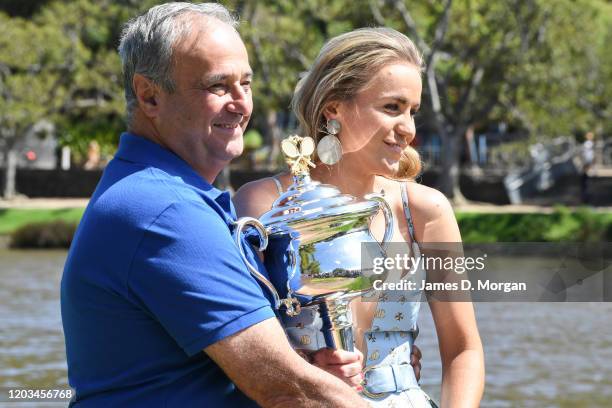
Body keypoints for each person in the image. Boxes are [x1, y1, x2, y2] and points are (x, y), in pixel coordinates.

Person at [60, 3, 377, 407]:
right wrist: (303, 377)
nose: (241, 104)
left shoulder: (165, 194)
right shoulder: (164, 211)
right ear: (149, 95)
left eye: (246, 83)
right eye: (218, 86)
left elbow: (241, 373)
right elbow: (284, 390)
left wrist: (304, 362)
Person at [234, 27, 485, 407]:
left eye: (412, 111)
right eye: (391, 107)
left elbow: (463, 350)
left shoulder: (425, 211)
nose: (409, 130)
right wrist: (305, 367)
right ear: (333, 109)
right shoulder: (262, 203)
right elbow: (238, 347)